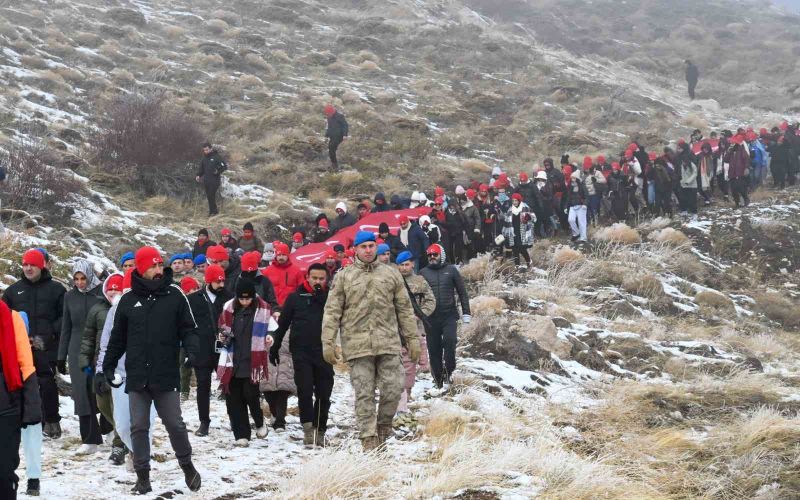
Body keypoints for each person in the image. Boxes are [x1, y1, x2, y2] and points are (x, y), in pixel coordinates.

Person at [103, 247, 201, 494]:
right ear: (141, 269)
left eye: (160, 265)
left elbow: (189, 329)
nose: (159, 270)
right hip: (137, 375)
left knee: (175, 424)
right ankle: (143, 477)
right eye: (153, 266)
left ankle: (188, 466)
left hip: (165, 373)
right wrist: (107, 365)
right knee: (139, 426)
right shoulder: (127, 300)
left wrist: (192, 351)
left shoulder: (175, 295)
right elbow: (117, 339)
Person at [321, 231, 419, 451]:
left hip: (388, 342)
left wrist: (412, 339)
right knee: (364, 394)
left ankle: (383, 428)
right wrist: (327, 342)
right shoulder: (344, 276)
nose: (367, 250)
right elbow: (332, 311)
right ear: (355, 249)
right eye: (363, 246)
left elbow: (404, 309)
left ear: (377, 247)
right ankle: (368, 440)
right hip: (357, 345)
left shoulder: (391, 275)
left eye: (371, 246)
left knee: (394, 388)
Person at [96, 270, 157, 474]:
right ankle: (135, 450)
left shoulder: (156, 307)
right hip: (120, 374)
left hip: (150, 375)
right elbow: (106, 344)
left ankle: (141, 461)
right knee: (122, 424)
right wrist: (100, 371)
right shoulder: (116, 311)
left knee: (144, 422)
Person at [2, 249, 65, 439]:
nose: (28, 268)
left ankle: (52, 421)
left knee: (47, 383)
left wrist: (48, 336)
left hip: (46, 345)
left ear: (41, 266)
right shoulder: (14, 290)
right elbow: (4, 317)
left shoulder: (57, 289)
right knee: (21, 383)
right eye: (25, 265)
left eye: (33, 265)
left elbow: (65, 317)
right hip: (20, 346)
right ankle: (26, 421)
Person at [270, 263, 334, 447]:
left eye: (321, 279)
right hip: (301, 352)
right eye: (314, 278)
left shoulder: (330, 298)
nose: (317, 282)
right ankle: (308, 428)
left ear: (326, 280)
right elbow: (282, 325)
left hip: (324, 351)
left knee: (324, 393)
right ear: (307, 277)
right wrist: (275, 348)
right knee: (305, 391)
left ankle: (320, 429)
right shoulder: (295, 298)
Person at [216, 279, 276, 446]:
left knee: (251, 396)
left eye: (247, 299)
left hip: (252, 362)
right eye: (241, 299)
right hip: (232, 361)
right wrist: (222, 335)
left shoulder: (263, 310)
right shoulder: (229, 309)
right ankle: (241, 435)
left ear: (253, 297)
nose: (244, 302)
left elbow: (272, 328)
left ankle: (259, 421)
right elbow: (222, 327)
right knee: (234, 400)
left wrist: (270, 337)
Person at [79, 273, 127, 465]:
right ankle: (123, 432)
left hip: (120, 367)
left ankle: (119, 444)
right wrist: (84, 359)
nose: (113, 291)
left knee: (119, 406)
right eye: (111, 288)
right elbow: (88, 337)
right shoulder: (97, 309)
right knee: (102, 404)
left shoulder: (126, 308)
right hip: (100, 364)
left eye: (118, 288)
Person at [58, 260, 103, 454]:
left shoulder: (101, 293)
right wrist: (61, 356)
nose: (80, 282)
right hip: (76, 348)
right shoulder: (69, 297)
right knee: (81, 392)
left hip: (98, 347)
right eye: (76, 279)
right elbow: (65, 327)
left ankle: (109, 428)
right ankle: (89, 438)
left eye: (83, 278)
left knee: (100, 388)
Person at [0, 301, 41, 500]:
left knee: (4, 469)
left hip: (7, 403)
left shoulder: (11, 317)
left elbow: (25, 362)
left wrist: (31, 406)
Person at [185, 265, 232, 437]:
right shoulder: (193, 299)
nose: (221, 284)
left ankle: (235, 419)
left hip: (225, 348)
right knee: (203, 386)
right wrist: (191, 347)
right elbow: (187, 325)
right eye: (217, 281)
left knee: (229, 385)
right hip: (202, 349)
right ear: (208, 281)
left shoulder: (229, 298)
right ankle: (204, 422)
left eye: (222, 281)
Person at [420, 244, 470, 389]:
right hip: (430, 318)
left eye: (435, 254)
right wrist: (418, 313)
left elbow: (462, 292)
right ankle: (438, 380)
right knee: (434, 349)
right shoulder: (423, 273)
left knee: (450, 342)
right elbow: (416, 295)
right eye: (429, 255)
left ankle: (449, 371)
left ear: (441, 255)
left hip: (449, 315)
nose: (432, 258)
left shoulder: (451, 270)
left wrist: (466, 313)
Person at [394, 252, 434, 414]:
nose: (404, 268)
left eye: (407, 264)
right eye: (401, 265)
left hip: (414, 327)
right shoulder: (392, 282)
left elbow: (431, 300)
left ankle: (406, 393)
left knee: (411, 361)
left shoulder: (420, 281)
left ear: (412, 264)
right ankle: (399, 402)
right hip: (395, 328)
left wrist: (420, 314)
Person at [501, 193, 534, 267]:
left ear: (519, 200)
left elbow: (533, 217)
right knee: (515, 249)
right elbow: (506, 221)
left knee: (522, 248)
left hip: (522, 231)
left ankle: (529, 261)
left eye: (516, 200)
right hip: (513, 231)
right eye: (513, 201)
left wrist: (528, 218)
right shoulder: (510, 210)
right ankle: (517, 266)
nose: (514, 202)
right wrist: (504, 232)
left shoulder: (525, 207)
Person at [196, 142, 227, 216]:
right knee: (209, 197)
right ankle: (212, 212)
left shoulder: (216, 157)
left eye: (207, 150)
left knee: (211, 195)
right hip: (206, 180)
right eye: (204, 150)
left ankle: (214, 212)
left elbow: (224, 166)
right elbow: (202, 169)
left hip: (215, 181)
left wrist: (218, 171)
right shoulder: (204, 158)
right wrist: (198, 175)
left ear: (211, 149)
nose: (206, 151)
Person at [724, 135, 751, 208]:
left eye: (733, 143)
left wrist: (746, 168)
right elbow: (726, 160)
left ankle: (746, 199)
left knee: (740, 187)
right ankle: (737, 203)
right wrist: (728, 151)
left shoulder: (741, 150)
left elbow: (747, 159)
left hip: (740, 172)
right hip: (732, 172)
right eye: (731, 143)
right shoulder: (730, 151)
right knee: (733, 189)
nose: (732, 144)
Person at [565, 171, 589, 242]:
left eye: (574, 177)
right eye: (572, 177)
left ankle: (583, 238)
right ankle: (576, 233)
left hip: (581, 206)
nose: (573, 179)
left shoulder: (582, 186)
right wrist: (566, 206)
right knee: (570, 220)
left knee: (582, 222)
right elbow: (568, 197)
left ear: (577, 178)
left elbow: (586, 196)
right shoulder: (570, 186)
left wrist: (585, 204)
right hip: (572, 206)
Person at [324, 104, 348, 171]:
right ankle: (334, 163)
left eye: (328, 113)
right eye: (327, 113)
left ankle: (335, 165)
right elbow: (329, 127)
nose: (328, 114)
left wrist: (345, 135)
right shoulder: (329, 117)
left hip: (339, 136)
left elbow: (345, 126)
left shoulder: (340, 116)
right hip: (332, 136)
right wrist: (326, 136)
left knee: (331, 149)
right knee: (331, 149)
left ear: (332, 112)